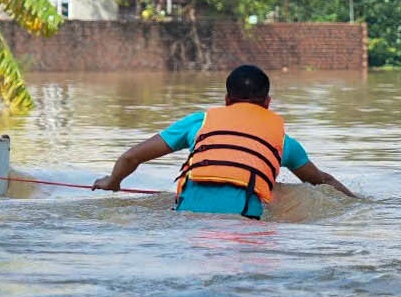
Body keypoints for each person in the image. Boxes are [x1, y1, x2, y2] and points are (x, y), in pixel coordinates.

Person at [91, 64, 355, 217]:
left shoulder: (199, 123)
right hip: (244, 223)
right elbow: (324, 182)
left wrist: (112, 182)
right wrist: (359, 203)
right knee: (282, 193)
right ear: (268, 103)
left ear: (227, 100)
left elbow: (131, 157)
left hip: (187, 221)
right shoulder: (283, 143)